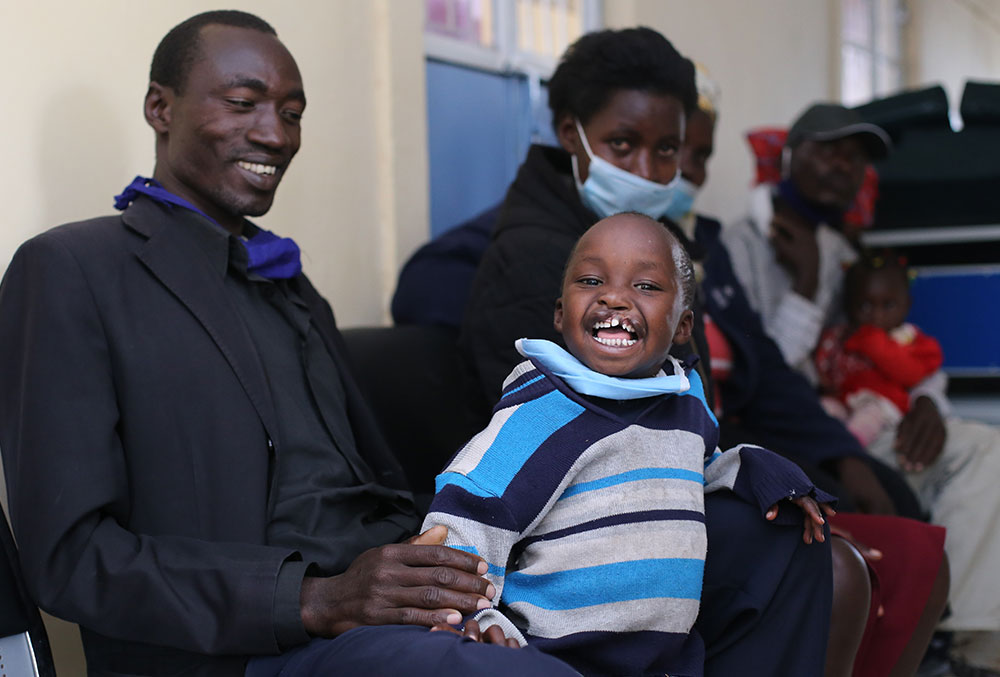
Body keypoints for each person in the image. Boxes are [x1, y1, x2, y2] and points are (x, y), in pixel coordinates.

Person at [0, 11, 584, 677]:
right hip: (247, 645)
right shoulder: (72, 270)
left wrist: (451, 582)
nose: (276, 134)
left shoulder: (290, 284)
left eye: (293, 112)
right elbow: (69, 559)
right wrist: (313, 598)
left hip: (384, 608)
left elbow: (367, 491)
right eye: (244, 103)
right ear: (160, 108)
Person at [425, 213, 832, 676]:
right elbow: (468, 512)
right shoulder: (544, 406)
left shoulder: (684, 400)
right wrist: (476, 615)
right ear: (560, 314)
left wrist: (759, 469)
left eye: (646, 286)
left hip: (666, 661)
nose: (614, 296)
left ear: (682, 327)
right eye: (592, 280)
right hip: (557, 656)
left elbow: (700, 466)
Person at [722, 102, 951, 513]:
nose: (844, 166)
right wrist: (806, 284)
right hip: (789, 431)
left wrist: (927, 399)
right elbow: (762, 375)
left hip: (858, 418)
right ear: (789, 156)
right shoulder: (739, 246)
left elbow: (887, 343)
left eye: (856, 158)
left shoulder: (840, 251)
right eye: (829, 150)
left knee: (978, 455)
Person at [815, 256, 1000, 676]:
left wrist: (927, 403)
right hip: (840, 433)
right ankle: (937, 630)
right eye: (866, 306)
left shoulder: (907, 341)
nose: (877, 316)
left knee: (989, 448)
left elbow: (926, 377)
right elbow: (800, 376)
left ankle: (962, 634)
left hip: (897, 429)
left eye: (889, 305)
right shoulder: (837, 339)